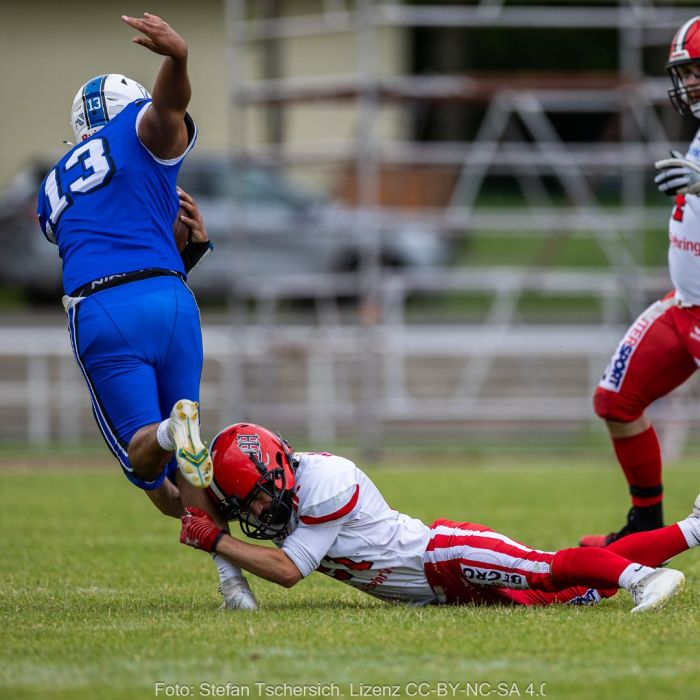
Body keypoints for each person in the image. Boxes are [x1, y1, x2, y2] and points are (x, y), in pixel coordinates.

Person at [36, 12, 255, 609]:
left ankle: (166, 428)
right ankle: (232, 583)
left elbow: (102, 235)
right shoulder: (143, 133)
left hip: (107, 306)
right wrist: (178, 61)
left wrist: (178, 61)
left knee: (149, 465)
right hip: (173, 303)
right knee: (190, 468)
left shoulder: (52, 185)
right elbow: (166, 113)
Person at [178, 423, 699, 613]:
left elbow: (290, 572)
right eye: (247, 507)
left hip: (444, 556)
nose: (258, 513)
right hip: (445, 591)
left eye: (259, 500)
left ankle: (646, 579)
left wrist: (215, 544)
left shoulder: (324, 482)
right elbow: (193, 500)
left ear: (277, 470)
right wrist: (173, 448)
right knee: (573, 589)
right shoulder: (278, 486)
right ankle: (695, 528)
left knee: (549, 567)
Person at [581, 15, 700, 546]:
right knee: (616, 400)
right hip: (685, 305)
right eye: (686, 72)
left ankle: (649, 548)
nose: (689, 82)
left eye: (696, 70)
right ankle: (646, 521)